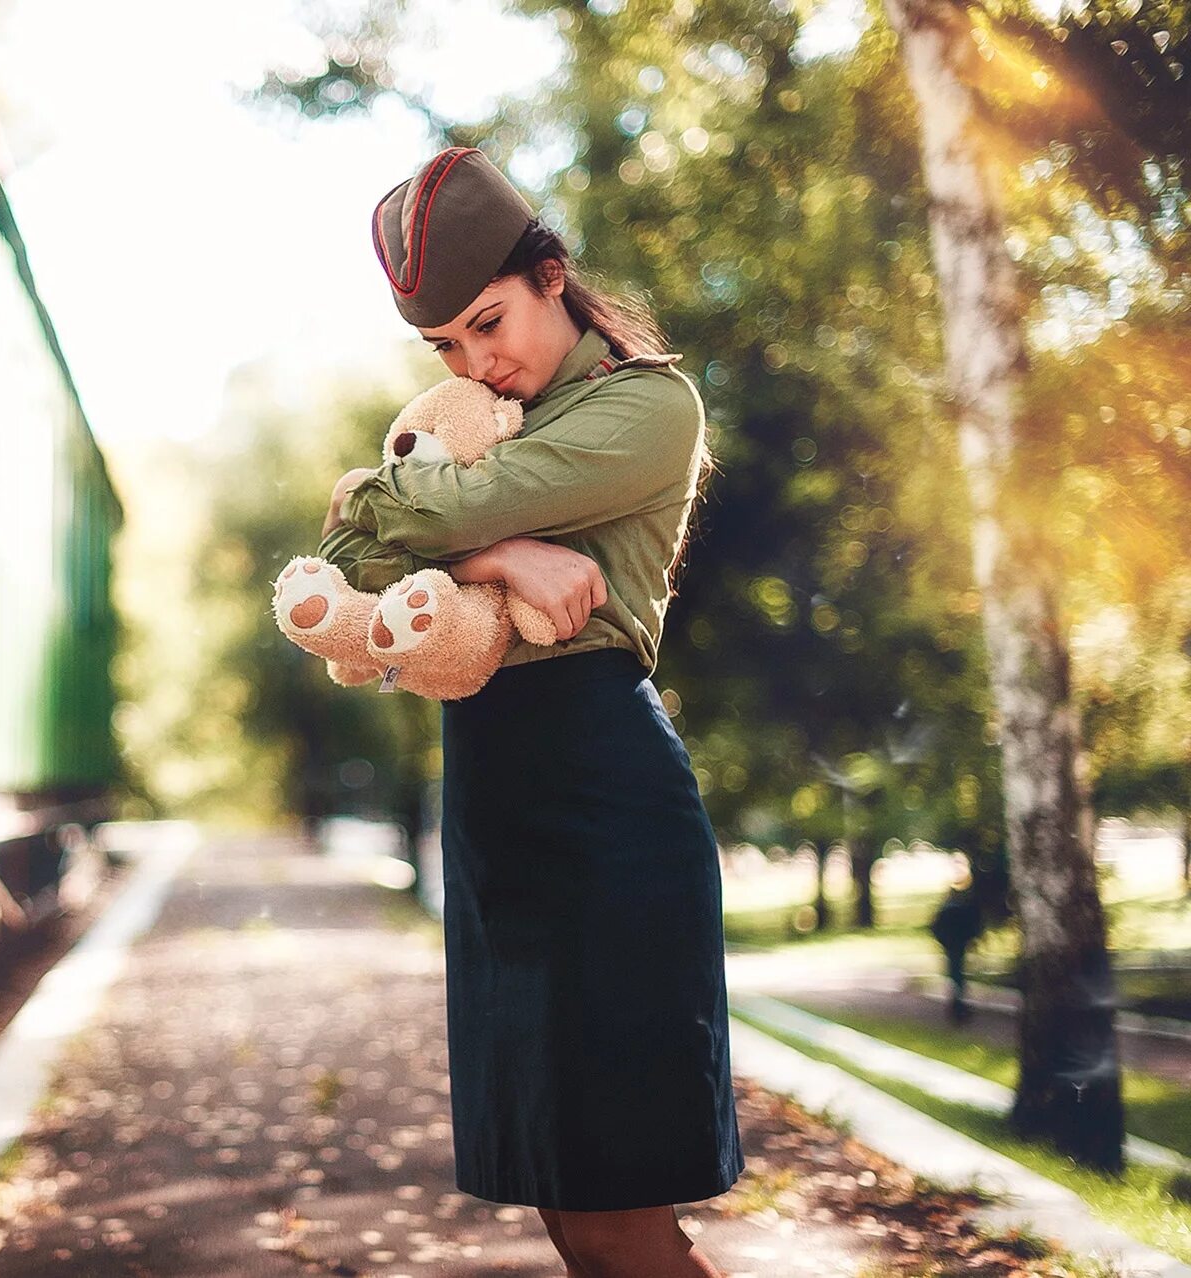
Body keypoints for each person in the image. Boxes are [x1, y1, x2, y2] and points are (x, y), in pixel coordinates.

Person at [318, 148, 743, 1277]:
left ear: (552, 274)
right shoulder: (481, 433)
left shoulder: (647, 405)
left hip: (604, 798)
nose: (476, 363)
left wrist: (401, 503)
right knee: (572, 1206)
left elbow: (369, 512)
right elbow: (340, 550)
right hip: (498, 808)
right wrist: (502, 549)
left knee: (615, 1212)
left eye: (490, 323)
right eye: (445, 346)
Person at [928, 856, 984, 1025]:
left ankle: (957, 1004)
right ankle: (958, 1005)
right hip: (957, 943)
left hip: (954, 943)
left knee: (955, 974)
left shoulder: (950, 906)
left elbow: (936, 927)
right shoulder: (962, 904)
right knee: (957, 974)